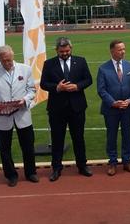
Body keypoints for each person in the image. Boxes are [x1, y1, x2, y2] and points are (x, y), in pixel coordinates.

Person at [40, 37, 93, 182]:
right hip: (57, 109)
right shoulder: (49, 64)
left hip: (77, 107)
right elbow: (43, 84)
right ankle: (56, 168)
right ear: (56, 50)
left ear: (71, 49)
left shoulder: (80, 61)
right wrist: (57, 87)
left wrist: (77, 86)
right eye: (62, 51)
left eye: (67, 51)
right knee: (57, 140)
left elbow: (88, 79)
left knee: (78, 138)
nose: (65, 53)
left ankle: (82, 166)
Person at [0, 45, 37, 187]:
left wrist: (25, 100)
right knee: (5, 148)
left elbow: (32, 90)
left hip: (22, 115)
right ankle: (11, 175)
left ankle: (31, 172)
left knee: (28, 146)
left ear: (13, 56)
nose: (7, 63)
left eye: (9, 60)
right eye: (4, 61)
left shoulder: (25, 69)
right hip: (2, 118)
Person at [97, 40, 130, 176]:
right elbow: (101, 90)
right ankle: (113, 162)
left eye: (124, 49)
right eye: (120, 49)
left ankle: (127, 161)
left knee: (127, 135)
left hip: (127, 108)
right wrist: (113, 102)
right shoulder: (103, 68)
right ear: (112, 51)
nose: (123, 52)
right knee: (111, 136)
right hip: (111, 109)